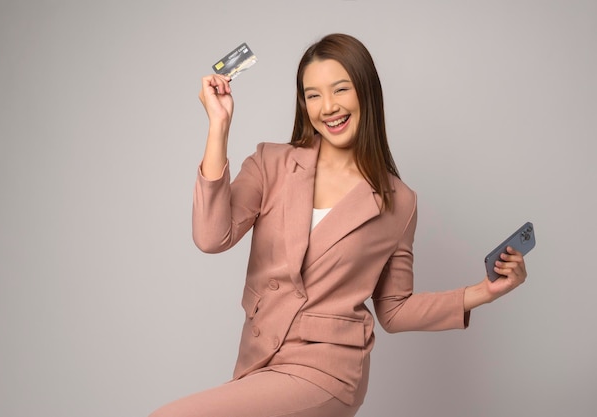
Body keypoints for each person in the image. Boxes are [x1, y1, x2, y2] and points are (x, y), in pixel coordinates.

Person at [149, 33, 527, 417]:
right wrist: (219, 126)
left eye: (340, 89)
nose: (328, 107)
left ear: (366, 92)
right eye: (313, 95)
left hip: (328, 373)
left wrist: (482, 292)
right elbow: (212, 237)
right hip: (258, 357)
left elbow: (394, 310)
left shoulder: (399, 202)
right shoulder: (271, 163)